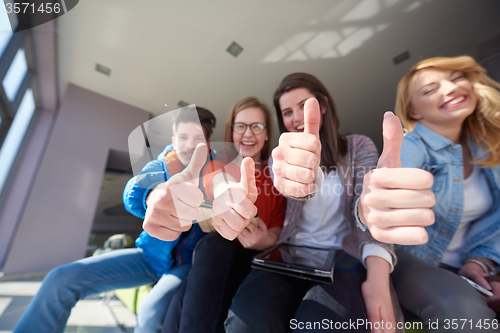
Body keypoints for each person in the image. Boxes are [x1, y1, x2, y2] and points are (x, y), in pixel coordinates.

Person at [225, 73, 401, 333]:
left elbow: (368, 210)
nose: (295, 117)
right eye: (287, 111)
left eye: (303, 105)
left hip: (343, 260)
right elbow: (290, 187)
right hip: (288, 256)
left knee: (318, 324)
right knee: (247, 321)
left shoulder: (358, 146)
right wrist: (300, 183)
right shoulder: (280, 160)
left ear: (324, 105)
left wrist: (377, 281)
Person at [14, 107, 216, 333]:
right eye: (183, 137)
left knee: (150, 314)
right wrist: (152, 194)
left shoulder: (218, 173)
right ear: (173, 140)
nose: (189, 144)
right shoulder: (163, 164)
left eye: (197, 138)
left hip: (186, 264)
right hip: (149, 256)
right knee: (59, 279)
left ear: (207, 143)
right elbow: (136, 186)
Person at [358, 56, 500, 331]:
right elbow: (377, 197)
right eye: (429, 89)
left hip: (472, 266)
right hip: (414, 262)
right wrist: (369, 208)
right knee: (464, 313)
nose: (449, 88)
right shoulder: (413, 145)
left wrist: (479, 264)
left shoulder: (489, 148)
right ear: (414, 112)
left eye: (457, 78)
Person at [162, 97, 287, 333]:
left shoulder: (278, 178)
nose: (248, 134)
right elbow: (215, 187)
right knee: (212, 247)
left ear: (267, 133)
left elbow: (277, 229)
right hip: (218, 261)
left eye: (256, 126)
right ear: (232, 131)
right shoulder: (217, 166)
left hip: (260, 263)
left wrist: (265, 240)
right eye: (240, 126)